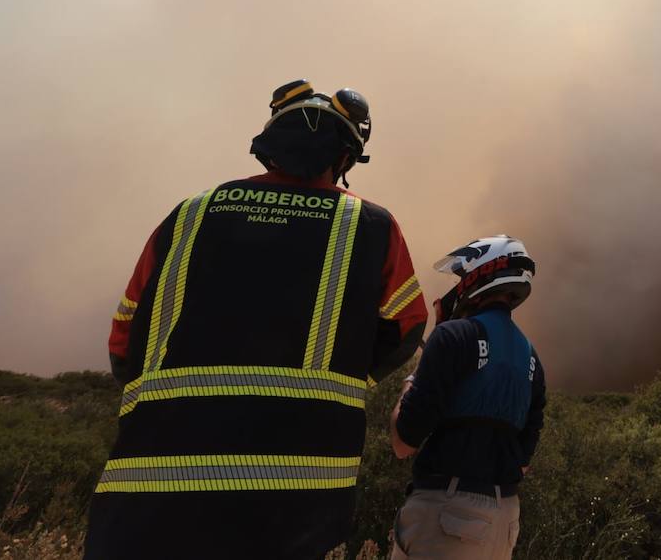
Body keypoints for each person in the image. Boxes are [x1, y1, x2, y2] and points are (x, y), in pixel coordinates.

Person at [85, 80, 429, 560]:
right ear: (346, 157)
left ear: (270, 146)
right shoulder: (369, 226)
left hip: (147, 493)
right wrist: (349, 374)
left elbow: (124, 343)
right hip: (294, 502)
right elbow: (407, 327)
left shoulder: (188, 215)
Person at [388, 235, 546, 560]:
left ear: (477, 275)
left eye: (461, 277)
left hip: (447, 516)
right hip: (504, 522)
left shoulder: (452, 337)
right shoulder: (532, 360)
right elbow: (523, 463)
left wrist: (419, 369)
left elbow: (402, 442)